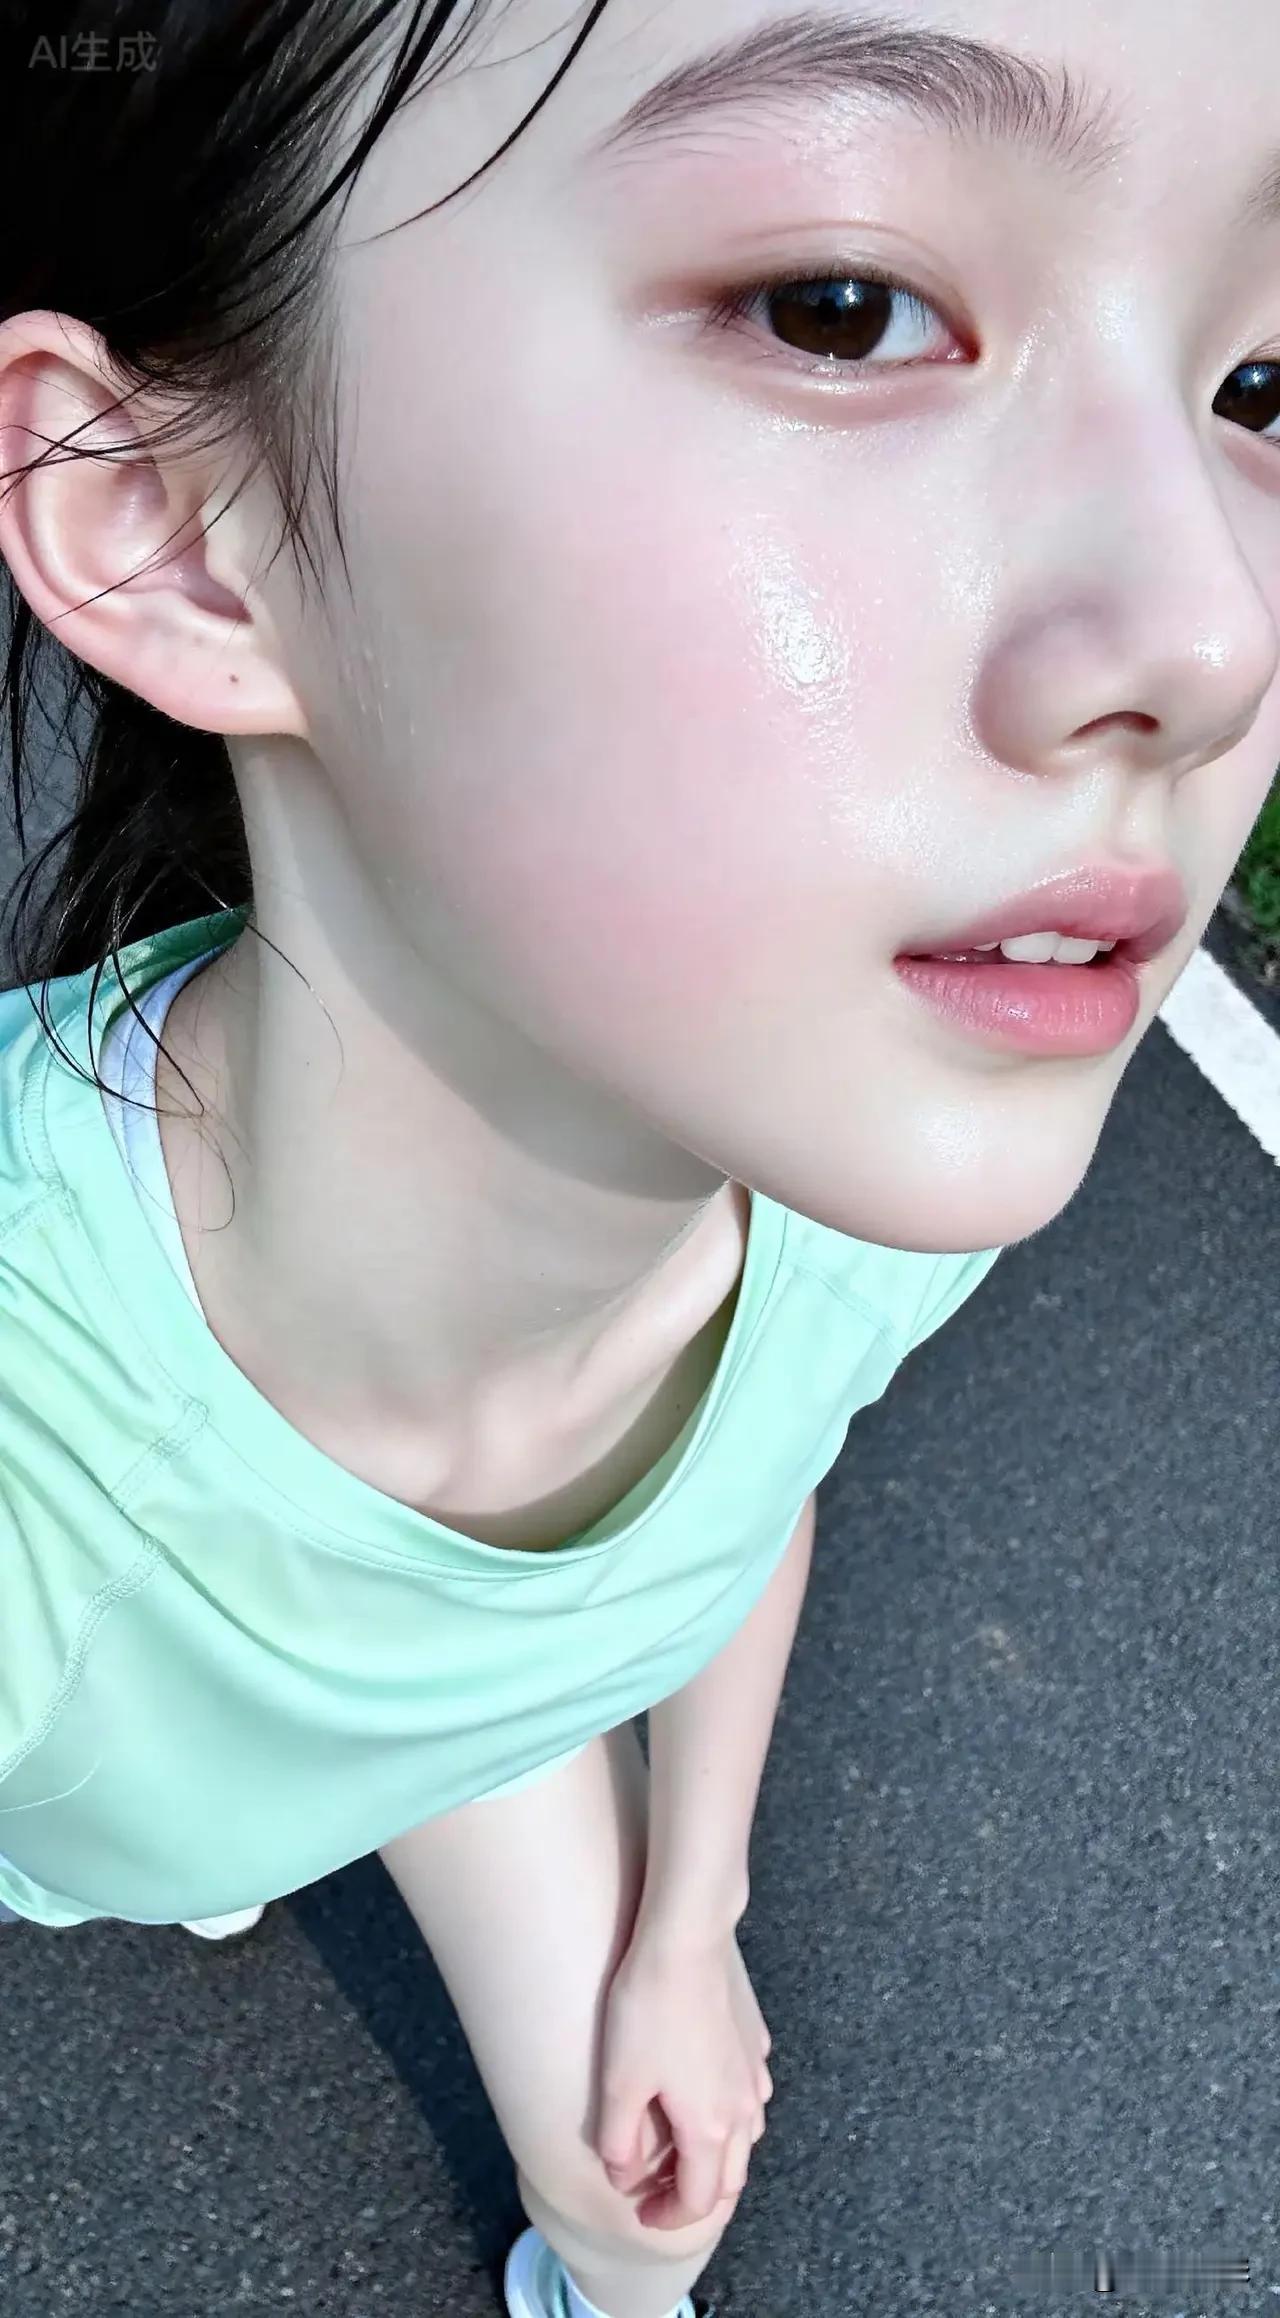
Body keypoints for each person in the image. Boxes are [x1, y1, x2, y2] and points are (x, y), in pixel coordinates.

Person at [1, 2, 1278, 2314]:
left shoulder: (871, 1202)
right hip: (167, 1687)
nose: (1209, 634)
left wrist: (695, 1924)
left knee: (641, 2214)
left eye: (1261, 389)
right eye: (843, 307)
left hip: (444, 1693)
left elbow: (744, 1478)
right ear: (175, 530)